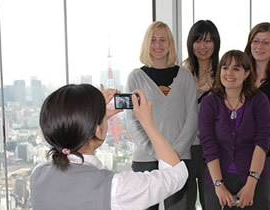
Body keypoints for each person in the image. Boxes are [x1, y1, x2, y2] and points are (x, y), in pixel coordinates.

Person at [30, 84, 188, 210]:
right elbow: (176, 174)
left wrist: (96, 121)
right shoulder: (116, 188)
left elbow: (79, 151)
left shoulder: (38, 174)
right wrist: (148, 123)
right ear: (97, 130)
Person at [125, 21, 198, 210]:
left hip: (179, 157)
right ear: (146, 44)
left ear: (170, 43)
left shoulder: (185, 76)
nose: (158, 45)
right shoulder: (135, 77)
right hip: (145, 159)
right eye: (153, 40)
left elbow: (192, 118)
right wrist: (157, 152)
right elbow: (132, 122)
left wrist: (175, 152)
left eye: (163, 40)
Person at [199, 50, 270, 210]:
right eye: (225, 68)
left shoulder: (259, 100)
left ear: (247, 73)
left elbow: (262, 143)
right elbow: (208, 145)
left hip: (254, 178)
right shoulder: (209, 102)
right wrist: (218, 185)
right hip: (217, 179)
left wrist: (251, 184)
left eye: (236, 68)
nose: (229, 73)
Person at [244, 22, 270, 210]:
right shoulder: (240, 76)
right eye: (256, 41)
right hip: (240, 156)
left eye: (266, 42)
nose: (259, 47)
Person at [182, 19, 220, 210]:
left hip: (214, 148)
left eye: (208, 40)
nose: (203, 46)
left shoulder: (224, 73)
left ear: (216, 43)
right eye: (198, 40)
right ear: (191, 43)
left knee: (212, 201)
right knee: (183, 203)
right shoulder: (180, 73)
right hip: (185, 147)